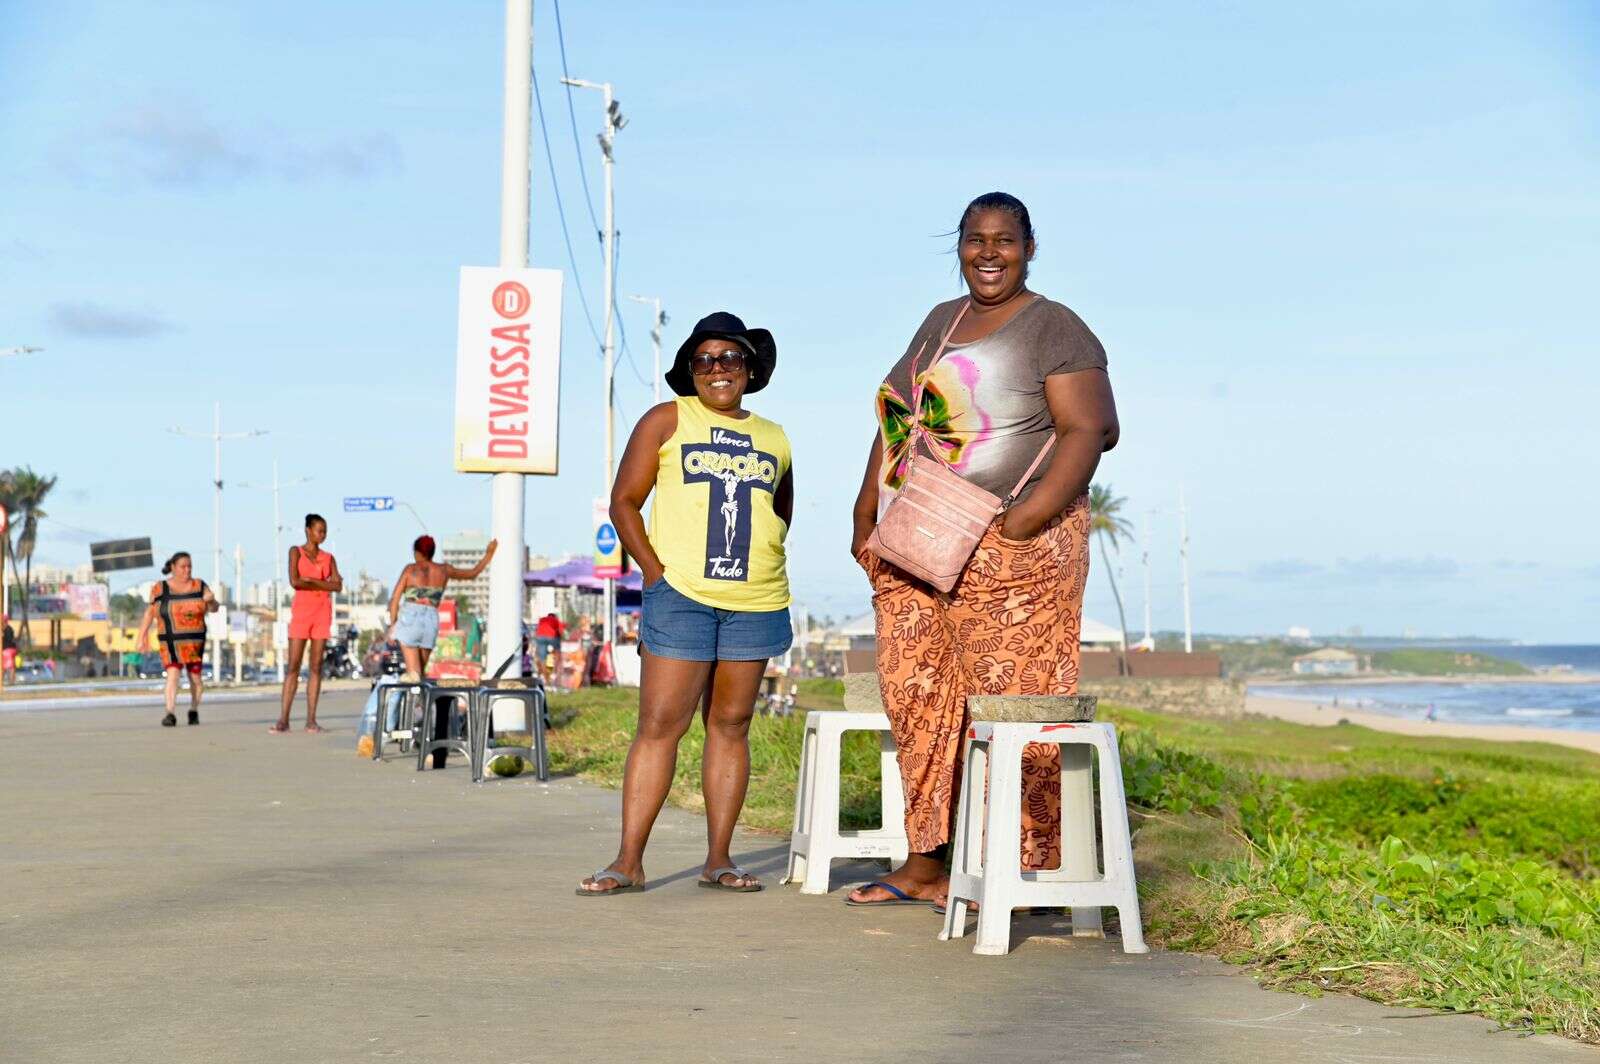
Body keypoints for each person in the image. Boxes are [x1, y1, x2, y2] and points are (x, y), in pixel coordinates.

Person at [847, 192, 1119, 908]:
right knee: (918, 696)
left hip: (1011, 550)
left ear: (1030, 247)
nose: (989, 253)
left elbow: (1089, 430)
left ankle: (1017, 872)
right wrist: (865, 505)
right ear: (959, 246)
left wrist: (1024, 521)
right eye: (975, 239)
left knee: (1011, 703)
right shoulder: (941, 322)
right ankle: (927, 864)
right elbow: (901, 417)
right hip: (919, 540)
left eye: (1004, 240)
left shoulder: (1055, 327)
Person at [578, 311, 794, 896]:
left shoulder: (774, 437)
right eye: (705, 360)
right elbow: (625, 501)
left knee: (731, 724)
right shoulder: (665, 421)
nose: (718, 368)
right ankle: (627, 861)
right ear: (690, 371)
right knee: (659, 726)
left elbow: (781, 512)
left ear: (749, 369)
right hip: (682, 597)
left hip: (755, 600)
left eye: (730, 358)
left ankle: (718, 860)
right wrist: (654, 572)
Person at [386, 534, 496, 680]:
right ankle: (421, 701)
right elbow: (472, 573)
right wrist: (489, 554)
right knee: (420, 675)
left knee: (414, 676)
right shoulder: (444, 570)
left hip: (410, 618)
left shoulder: (410, 570)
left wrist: (393, 625)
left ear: (417, 552)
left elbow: (395, 600)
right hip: (431, 618)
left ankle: (413, 702)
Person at [271, 513, 343, 734]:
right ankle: (283, 719)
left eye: (324, 531)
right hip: (301, 614)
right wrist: (322, 583)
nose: (322, 534)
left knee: (316, 667)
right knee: (293, 665)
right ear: (308, 530)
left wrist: (311, 581)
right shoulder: (296, 551)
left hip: (322, 614)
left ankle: (311, 719)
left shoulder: (329, 558)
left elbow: (337, 586)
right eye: (319, 530)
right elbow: (295, 581)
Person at [135, 552, 221, 726]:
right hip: (170, 640)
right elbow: (150, 612)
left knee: (195, 678)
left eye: (190, 566)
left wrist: (211, 601)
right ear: (173, 567)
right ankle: (170, 712)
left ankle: (193, 709)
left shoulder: (199, 585)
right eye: (183, 566)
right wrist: (141, 636)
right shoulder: (160, 588)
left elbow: (214, 608)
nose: (187, 570)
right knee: (172, 674)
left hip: (194, 641)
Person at [534, 612, 566, 681]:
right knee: (558, 651)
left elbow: (537, 630)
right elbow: (561, 632)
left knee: (542, 658)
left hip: (540, 637)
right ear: (554, 617)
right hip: (551, 636)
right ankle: (554, 673)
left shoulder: (542, 619)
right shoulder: (556, 620)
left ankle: (545, 677)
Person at [2, 615, 16, 684]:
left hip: (7, 650)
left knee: (9, 667)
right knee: (6, 666)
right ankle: (8, 681)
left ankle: (11, 682)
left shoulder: (6, 629)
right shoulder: (9, 628)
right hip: (10, 649)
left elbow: (8, 639)